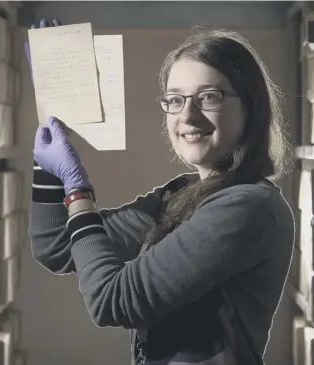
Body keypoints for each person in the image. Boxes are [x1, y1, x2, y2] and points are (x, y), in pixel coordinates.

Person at [27, 19, 295, 365]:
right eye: (175, 99)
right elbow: (59, 247)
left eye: (209, 97)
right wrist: (51, 147)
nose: (188, 115)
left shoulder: (247, 207)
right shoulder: (180, 195)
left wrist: (77, 189)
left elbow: (113, 300)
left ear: (251, 106)